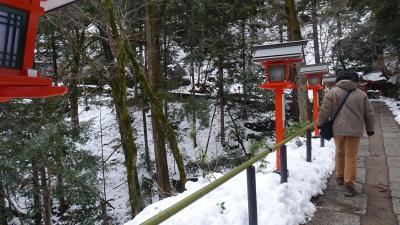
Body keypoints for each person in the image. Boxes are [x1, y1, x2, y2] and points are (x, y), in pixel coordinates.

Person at [318, 69, 375, 197]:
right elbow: (369, 114)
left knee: (339, 152)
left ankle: (339, 176)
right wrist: (370, 128)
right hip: (355, 131)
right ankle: (349, 184)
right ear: (355, 80)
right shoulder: (361, 95)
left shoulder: (332, 93)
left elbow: (324, 111)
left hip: (338, 130)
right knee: (351, 156)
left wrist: (320, 124)